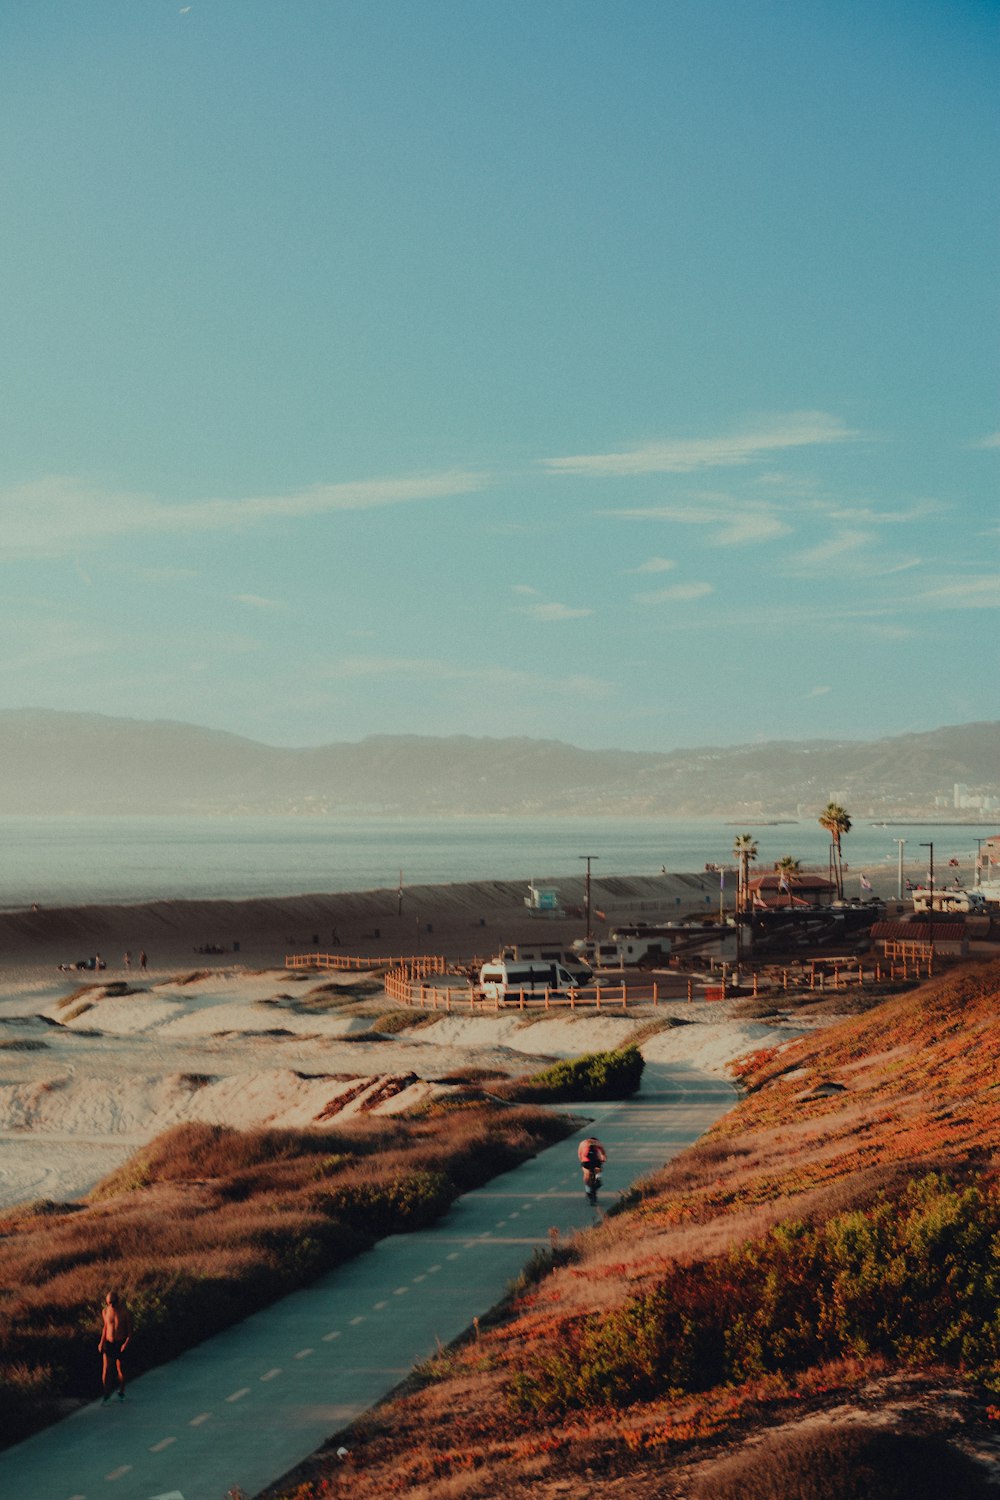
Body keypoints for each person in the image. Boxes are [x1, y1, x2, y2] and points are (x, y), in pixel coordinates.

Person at [99, 1292, 133, 1403]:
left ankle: (121, 1391)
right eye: (109, 1303)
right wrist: (101, 1342)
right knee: (107, 1369)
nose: (111, 1305)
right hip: (109, 1343)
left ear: (118, 1301)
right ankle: (106, 1392)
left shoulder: (125, 1313)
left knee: (121, 1370)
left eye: (113, 1302)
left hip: (120, 1343)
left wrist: (126, 1344)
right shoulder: (105, 1311)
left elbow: (130, 1332)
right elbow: (105, 1328)